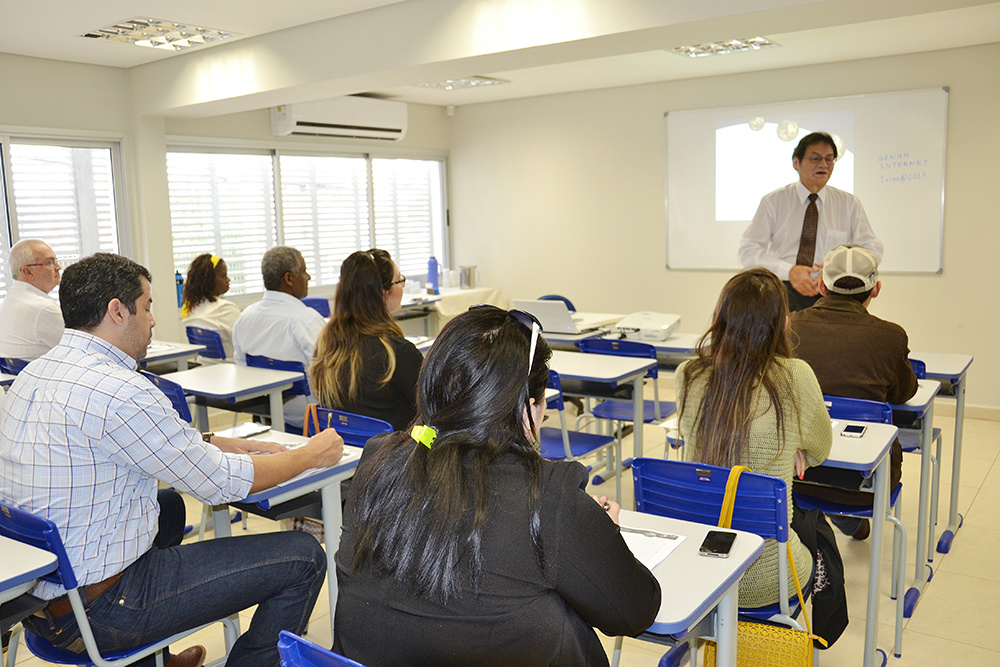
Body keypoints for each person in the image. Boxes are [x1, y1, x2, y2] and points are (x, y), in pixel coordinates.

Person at [0, 253, 344, 667]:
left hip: (39, 601)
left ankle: (154, 660)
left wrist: (211, 441)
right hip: (102, 612)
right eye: (147, 307)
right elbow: (220, 483)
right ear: (116, 311)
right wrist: (309, 454)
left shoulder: (35, 374)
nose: (153, 321)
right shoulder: (120, 389)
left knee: (169, 508)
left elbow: (123, 438)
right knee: (304, 556)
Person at [333, 307, 661, 667]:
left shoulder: (378, 461)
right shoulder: (549, 499)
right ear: (527, 410)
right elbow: (635, 611)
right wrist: (602, 531)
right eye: (543, 409)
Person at [675, 268, 832, 608]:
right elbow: (821, 450)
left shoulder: (688, 375)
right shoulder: (796, 376)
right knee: (821, 540)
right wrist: (794, 446)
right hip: (768, 577)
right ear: (783, 323)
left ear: (720, 319)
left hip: (699, 568)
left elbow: (694, 441)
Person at [789, 244, 918, 539]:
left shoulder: (792, 325)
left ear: (821, 285)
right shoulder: (891, 335)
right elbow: (903, 394)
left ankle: (819, 528)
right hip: (865, 481)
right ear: (875, 289)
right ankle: (847, 524)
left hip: (796, 471)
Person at [738, 131, 883, 312]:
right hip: (783, 288)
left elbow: (873, 247)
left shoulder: (848, 203)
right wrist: (789, 271)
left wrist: (840, 265)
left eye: (829, 159)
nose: (823, 164)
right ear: (796, 162)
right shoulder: (774, 201)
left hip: (833, 293)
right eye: (815, 158)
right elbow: (748, 250)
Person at [310, 249, 422, 431]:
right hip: (397, 454)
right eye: (399, 280)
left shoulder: (327, 346)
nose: (402, 287)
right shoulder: (396, 353)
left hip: (348, 453)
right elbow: (435, 407)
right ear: (382, 293)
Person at [232, 246, 325, 430]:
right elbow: (330, 373)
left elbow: (241, 369)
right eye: (304, 271)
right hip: (309, 417)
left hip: (267, 415)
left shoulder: (245, 317)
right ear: (289, 278)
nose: (308, 277)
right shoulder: (306, 319)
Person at [0, 239, 64, 360]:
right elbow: (82, 349)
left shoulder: (9, 301)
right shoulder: (44, 309)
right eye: (50, 262)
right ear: (28, 272)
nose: (58, 267)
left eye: (56, 261)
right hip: (45, 376)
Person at [181, 253, 241, 359]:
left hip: (205, 368)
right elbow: (246, 344)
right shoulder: (225, 309)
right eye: (223, 276)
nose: (228, 280)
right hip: (231, 369)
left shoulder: (191, 308)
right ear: (209, 279)